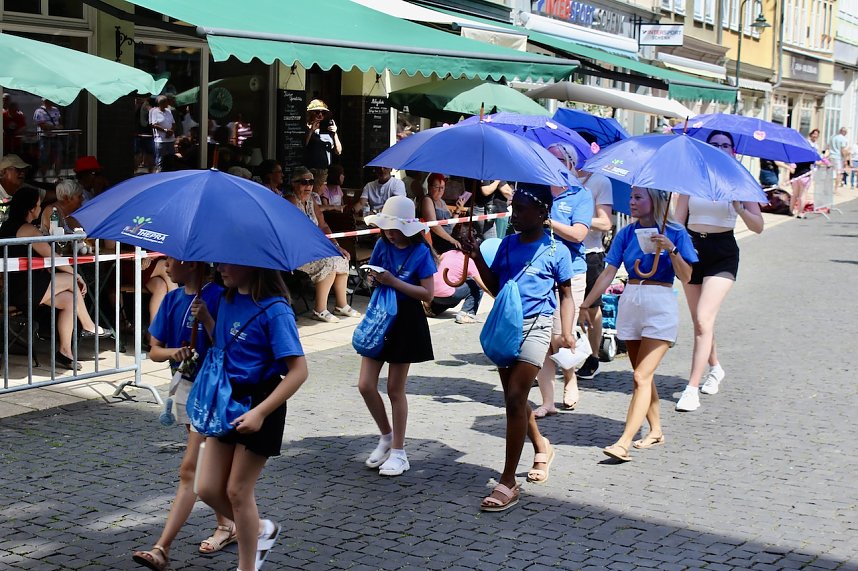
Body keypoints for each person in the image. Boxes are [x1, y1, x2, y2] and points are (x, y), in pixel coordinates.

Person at [462, 184, 574, 511]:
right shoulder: (507, 245)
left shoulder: (556, 251)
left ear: (542, 213)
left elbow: (565, 295)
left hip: (538, 325)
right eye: (513, 208)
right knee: (516, 397)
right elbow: (496, 287)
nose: (514, 214)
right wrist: (475, 260)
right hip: (506, 324)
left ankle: (508, 481)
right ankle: (542, 445)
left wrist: (566, 331)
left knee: (514, 397)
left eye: (521, 209)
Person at [193, 264, 308, 571]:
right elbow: (224, 348)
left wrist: (260, 412)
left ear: (252, 264)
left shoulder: (276, 311)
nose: (220, 268)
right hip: (228, 398)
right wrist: (206, 320)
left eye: (228, 262)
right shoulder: (227, 298)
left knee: (237, 491)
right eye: (218, 262)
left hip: (261, 402)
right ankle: (257, 527)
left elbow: (298, 372)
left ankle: (247, 566)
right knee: (206, 488)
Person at [580, 187, 697, 462]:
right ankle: (655, 429)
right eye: (631, 197)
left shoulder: (676, 231)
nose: (631, 202)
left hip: (660, 303)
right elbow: (609, 272)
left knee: (640, 377)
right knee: (642, 375)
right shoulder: (626, 233)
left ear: (655, 200)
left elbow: (687, 276)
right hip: (631, 301)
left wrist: (672, 249)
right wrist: (587, 303)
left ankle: (624, 442)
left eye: (638, 197)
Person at [132, 259, 233, 571]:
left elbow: (226, 345)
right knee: (204, 467)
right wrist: (174, 353)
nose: (165, 267)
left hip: (213, 390)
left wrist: (208, 319)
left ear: (191, 265)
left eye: (169, 262)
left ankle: (162, 547)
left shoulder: (218, 296)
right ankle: (229, 524)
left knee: (191, 469)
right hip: (186, 388)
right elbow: (154, 350)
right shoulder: (173, 299)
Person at [673, 130, 764, 412]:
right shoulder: (693, 179)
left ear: (733, 151)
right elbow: (678, 220)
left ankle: (691, 389)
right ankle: (715, 367)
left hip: (723, 252)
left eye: (726, 145)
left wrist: (740, 207)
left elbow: (758, 225)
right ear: (705, 149)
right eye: (714, 145)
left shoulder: (741, 182)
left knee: (703, 318)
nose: (720, 148)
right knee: (701, 322)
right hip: (693, 250)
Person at [358, 196, 436, 477]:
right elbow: (377, 275)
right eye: (386, 227)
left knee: (395, 389)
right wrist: (373, 278)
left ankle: (400, 452)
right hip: (380, 316)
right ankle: (386, 435)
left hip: (406, 320)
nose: (389, 233)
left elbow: (428, 294)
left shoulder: (421, 252)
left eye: (394, 228)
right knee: (365, 384)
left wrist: (394, 282)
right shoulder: (382, 245)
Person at [0, 187, 108, 370]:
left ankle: (65, 352)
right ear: (31, 209)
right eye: (38, 205)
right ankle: (89, 326)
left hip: (14, 287)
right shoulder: (28, 230)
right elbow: (52, 257)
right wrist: (77, 276)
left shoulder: (8, 227)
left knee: (69, 300)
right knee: (72, 281)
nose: (40, 208)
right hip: (22, 289)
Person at [533, 142, 591, 416]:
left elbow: (579, 234)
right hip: (540, 269)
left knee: (559, 334)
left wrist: (548, 222)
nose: (551, 162)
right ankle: (547, 401)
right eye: (547, 158)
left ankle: (570, 377)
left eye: (556, 158)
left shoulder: (581, 195)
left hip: (571, 272)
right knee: (542, 335)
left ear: (569, 162)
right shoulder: (538, 190)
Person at [286, 167, 360, 323]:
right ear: (293, 183)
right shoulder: (290, 200)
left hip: (314, 247)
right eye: (303, 182)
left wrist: (335, 245)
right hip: (296, 251)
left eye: (311, 182)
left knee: (341, 257)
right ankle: (319, 309)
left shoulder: (311, 200)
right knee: (328, 262)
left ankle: (341, 305)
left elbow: (323, 226)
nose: (308, 186)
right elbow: (298, 230)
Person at [573, 132, 614, 381]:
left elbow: (606, 222)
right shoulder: (562, 178)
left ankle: (593, 356)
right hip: (566, 250)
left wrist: (577, 221)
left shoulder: (600, 181)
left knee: (591, 308)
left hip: (591, 253)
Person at [425, 248, 484, 324]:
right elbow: (482, 285)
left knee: (451, 296)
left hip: (431, 294)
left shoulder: (447, 253)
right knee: (476, 285)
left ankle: (432, 309)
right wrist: (496, 296)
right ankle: (467, 314)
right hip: (447, 295)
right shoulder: (469, 261)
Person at [304, 99, 341, 197]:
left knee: (320, 197)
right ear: (310, 113)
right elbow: (303, 145)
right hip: (311, 170)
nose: (320, 115)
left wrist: (335, 133)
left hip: (324, 171)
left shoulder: (327, 129)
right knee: (312, 196)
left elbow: (338, 151)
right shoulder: (305, 128)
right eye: (317, 112)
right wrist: (311, 130)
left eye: (323, 113)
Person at [419, 173, 461, 254]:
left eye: (442, 187)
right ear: (429, 187)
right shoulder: (427, 200)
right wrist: (451, 240)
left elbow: (450, 225)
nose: (440, 190)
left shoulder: (442, 202)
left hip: (448, 239)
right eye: (437, 187)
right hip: (436, 242)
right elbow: (433, 224)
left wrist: (458, 210)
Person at [789, 128, 820, 218]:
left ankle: (791, 211)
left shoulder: (796, 153)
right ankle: (800, 212)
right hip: (805, 175)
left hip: (796, 176)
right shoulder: (810, 154)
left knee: (794, 194)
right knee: (803, 195)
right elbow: (816, 162)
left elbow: (793, 164)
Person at [33, 99, 63, 180]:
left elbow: (60, 122)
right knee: (44, 158)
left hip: (55, 137)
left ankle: (57, 176)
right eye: (47, 100)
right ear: (44, 101)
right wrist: (55, 127)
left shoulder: (56, 109)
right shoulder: (39, 111)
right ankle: (44, 177)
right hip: (44, 138)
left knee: (58, 157)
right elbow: (43, 125)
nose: (50, 101)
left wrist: (56, 127)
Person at [149, 95, 176, 172]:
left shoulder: (169, 111)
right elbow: (153, 124)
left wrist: (171, 131)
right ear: (161, 103)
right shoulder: (154, 112)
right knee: (160, 159)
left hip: (170, 139)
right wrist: (165, 130)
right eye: (166, 102)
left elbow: (173, 123)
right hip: (160, 140)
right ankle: (159, 174)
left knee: (171, 158)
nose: (167, 104)